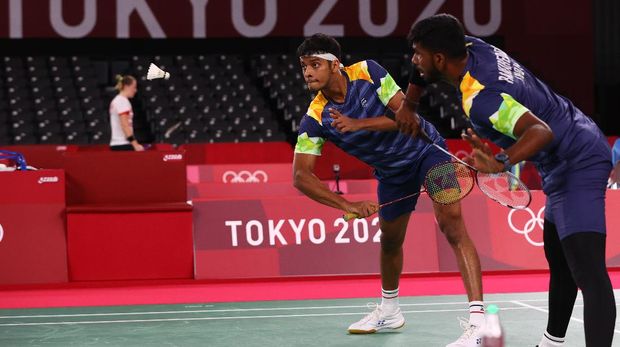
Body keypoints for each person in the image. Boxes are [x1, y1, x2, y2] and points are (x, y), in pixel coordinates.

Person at [401, 14, 615, 347]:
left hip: (579, 159)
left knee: (588, 270)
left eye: (418, 53)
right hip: (561, 157)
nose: (414, 61)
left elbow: (540, 131)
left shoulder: (482, 100)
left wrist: (499, 162)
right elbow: (423, 67)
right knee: (559, 260)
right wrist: (409, 106)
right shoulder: (472, 46)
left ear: (440, 59)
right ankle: (552, 342)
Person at [292, 33, 485, 347]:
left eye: (315, 64)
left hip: (427, 150)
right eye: (304, 66)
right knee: (391, 240)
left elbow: (405, 116)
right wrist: (347, 205)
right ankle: (390, 310)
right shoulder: (316, 117)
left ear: (335, 64)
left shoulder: (368, 71)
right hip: (392, 174)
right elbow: (301, 176)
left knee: (452, 224)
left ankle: (479, 323)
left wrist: (358, 124)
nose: (308, 72)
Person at [109, 75, 144, 151]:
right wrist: (135, 144)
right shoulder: (122, 102)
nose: (135, 90)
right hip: (122, 144)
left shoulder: (118, 100)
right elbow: (125, 125)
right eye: (134, 87)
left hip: (118, 144)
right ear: (126, 86)